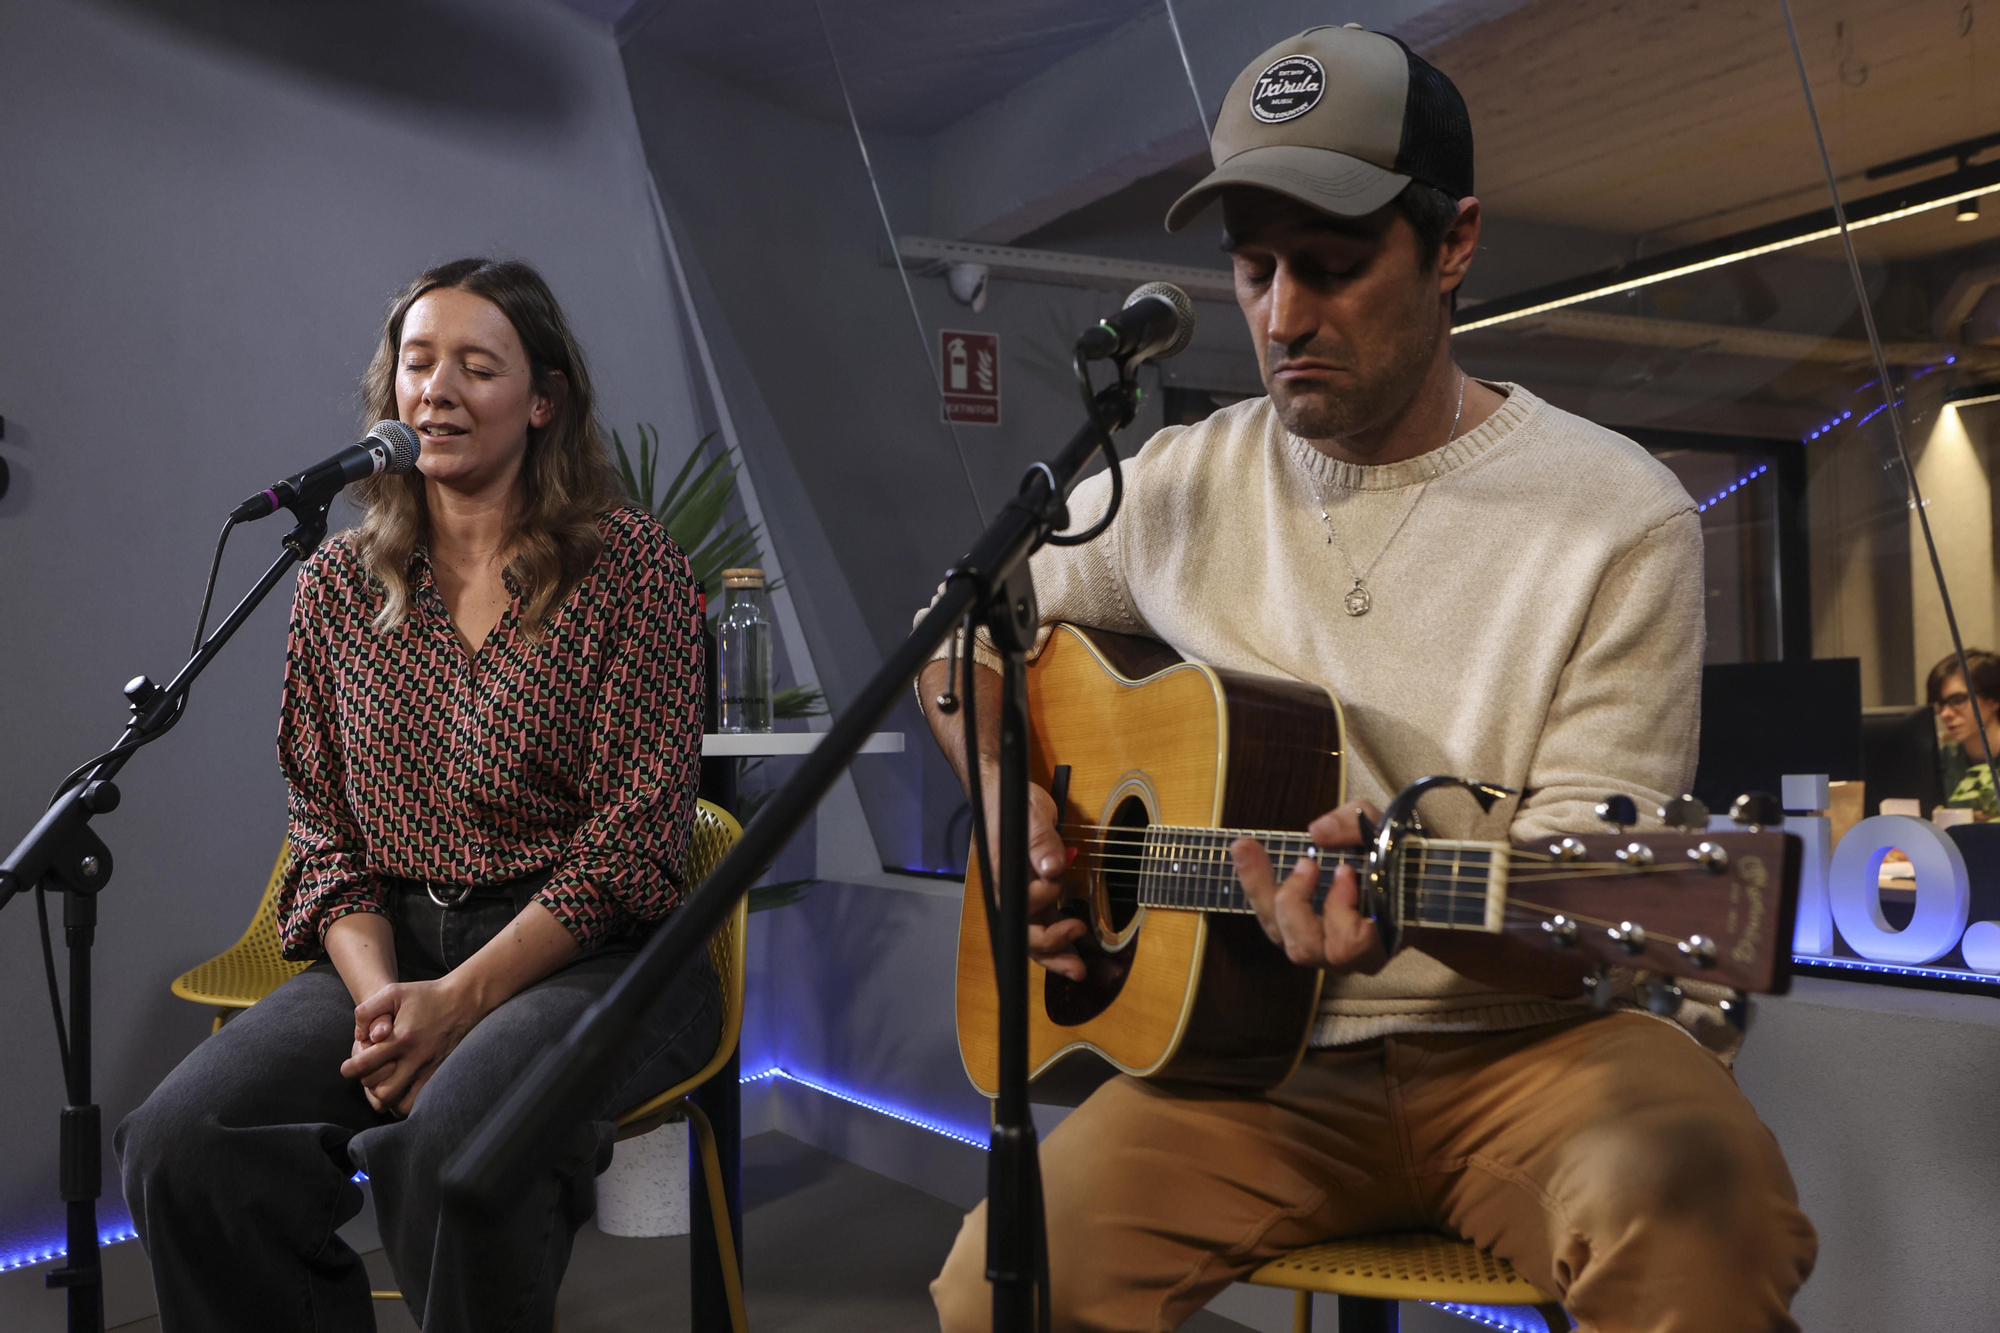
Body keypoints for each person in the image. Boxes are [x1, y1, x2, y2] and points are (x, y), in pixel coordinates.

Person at [920, 25, 1815, 1333]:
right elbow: (955, 645)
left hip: (1538, 1047)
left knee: (1696, 1214)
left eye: (1333, 268)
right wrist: (1017, 812)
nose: (1284, 314)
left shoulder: (1617, 513)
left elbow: (1589, 871)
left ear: (1452, 246)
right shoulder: (1174, 483)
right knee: (1001, 1285)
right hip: (1248, 1065)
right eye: (1254, 268)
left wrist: (1410, 909)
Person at [116, 258, 720, 1332]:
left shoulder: (632, 568)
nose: (437, 388)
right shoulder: (337, 585)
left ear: (542, 402)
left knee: (456, 1144)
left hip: (594, 956)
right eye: (417, 362)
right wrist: (385, 996)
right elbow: (323, 828)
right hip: (390, 944)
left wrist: (464, 999)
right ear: (389, 394)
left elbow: (628, 851)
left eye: (477, 367)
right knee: (182, 1142)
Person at [1928, 648, 2000, 817]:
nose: (1945, 714)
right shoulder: (1941, 760)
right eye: (1941, 704)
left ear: (1994, 700)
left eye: (1958, 700)